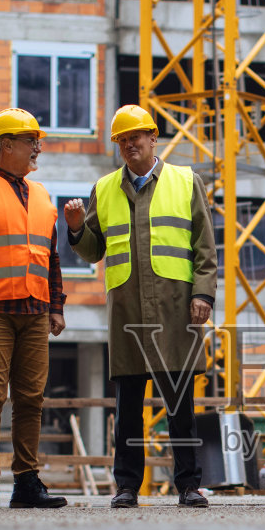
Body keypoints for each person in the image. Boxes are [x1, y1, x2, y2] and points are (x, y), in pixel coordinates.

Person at [65, 105, 218, 509]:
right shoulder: (105, 188)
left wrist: (203, 294)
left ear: (154, 138)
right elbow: (94, 250)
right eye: (122, 139)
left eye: (137, 136)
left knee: (179, 405)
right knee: (128, 407)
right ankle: (127, 486)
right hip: (128, 312)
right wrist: (78, 228)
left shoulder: (187, 182)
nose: (130, 144)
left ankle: (189, 484)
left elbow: (205, 246)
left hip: (175, 308)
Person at [0, 109, 69, 511]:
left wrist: (56, 306)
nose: (37, 148)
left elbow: (50, 257)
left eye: (37, 141)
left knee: (31, 399)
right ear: (5, 145)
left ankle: (27, 482)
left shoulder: (41, 195)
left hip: (36, 311)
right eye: (29, 141)